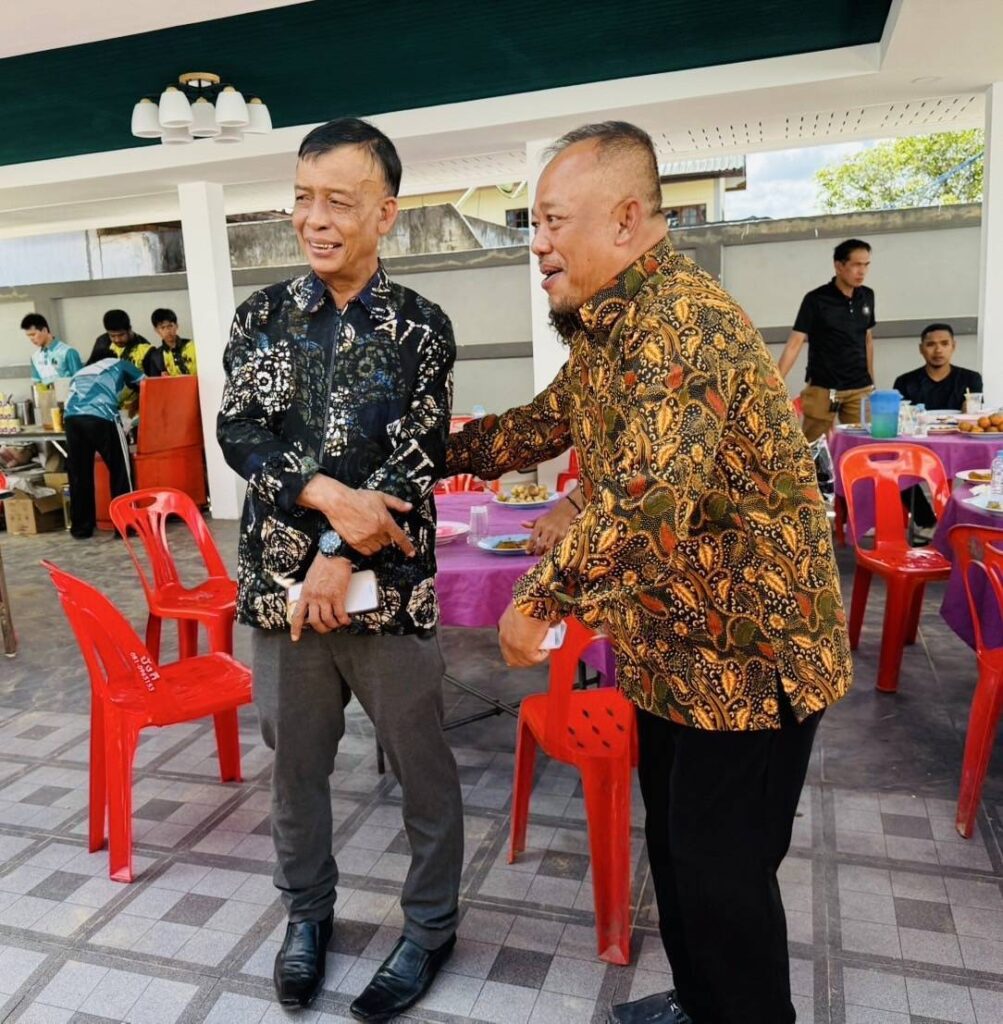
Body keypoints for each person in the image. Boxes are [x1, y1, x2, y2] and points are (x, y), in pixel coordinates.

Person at [447, 121, 852, 1024]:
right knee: (676, 851)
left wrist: (539, 599)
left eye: (552, 221)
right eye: (533, 224)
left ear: (625, 219)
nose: (537, 244)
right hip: (673, 648)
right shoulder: (610, 328)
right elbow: (543, 423)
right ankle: (701, 1003)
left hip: (751, 657)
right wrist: (430, 451)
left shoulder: (679, 323)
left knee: (724, 878)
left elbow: (647, 501)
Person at [217, 117, 462, 1020]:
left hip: (386, 592)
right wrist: (323, 500)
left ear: (385, 213)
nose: (313, 219)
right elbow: (240, 431)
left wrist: (338, 552)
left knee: (422, 767)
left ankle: (429, 926)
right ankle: (307, 916)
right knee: (295, 770)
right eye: (301, 198)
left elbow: (417, 456)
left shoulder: (421, 327)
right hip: (284, 593)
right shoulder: (261, 317)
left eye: (338, 202)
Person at [777, 238, 876, 441]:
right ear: (839, 266)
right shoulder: (815, 299)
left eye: (866, 265)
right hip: (824, 388)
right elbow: (795, 343)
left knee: (862, 443)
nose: (862, 271)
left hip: (859, 387)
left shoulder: (867, 296)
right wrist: (775, 381)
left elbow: (867, 339)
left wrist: (872, 381)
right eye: (856, 265)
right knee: (815, 446)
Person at [63, 357, 142, 539]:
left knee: (79, 475)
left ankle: (81, 529)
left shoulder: (80, 372)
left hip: (71, 419)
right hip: (102, 416)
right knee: (121, 470)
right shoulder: (118, 362)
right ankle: (125, 526)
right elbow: (145, 383)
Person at [893, 322, 982, 411]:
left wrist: (971, 408)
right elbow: (899, 415)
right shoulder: (904, 382)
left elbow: (977, 414)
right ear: (921, 349)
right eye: (931, 344)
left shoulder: (971, 379)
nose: (938, 350)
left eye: (944, 344)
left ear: (953, 346)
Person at [88, 309, 161, 377]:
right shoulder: (103, 342)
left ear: (130, 329)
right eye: (112, 336)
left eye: (121, 335)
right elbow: (89, 370)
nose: (117, 340)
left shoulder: (146, 350)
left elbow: (152, 380)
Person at [21, 313, 83, 382]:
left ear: (44, 330)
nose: (31, 339)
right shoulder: (34, 358)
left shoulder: (68, 352)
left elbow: (80, 381)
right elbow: (36, 383)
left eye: (33, 334)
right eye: (28, 336)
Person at [149, 308, 198, 376]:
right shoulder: (156, 357)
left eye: (170, 326)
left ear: (176, 326)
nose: (167, 331)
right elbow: (155, 381)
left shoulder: (193, 346)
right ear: (156, 330)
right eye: (162, 327)